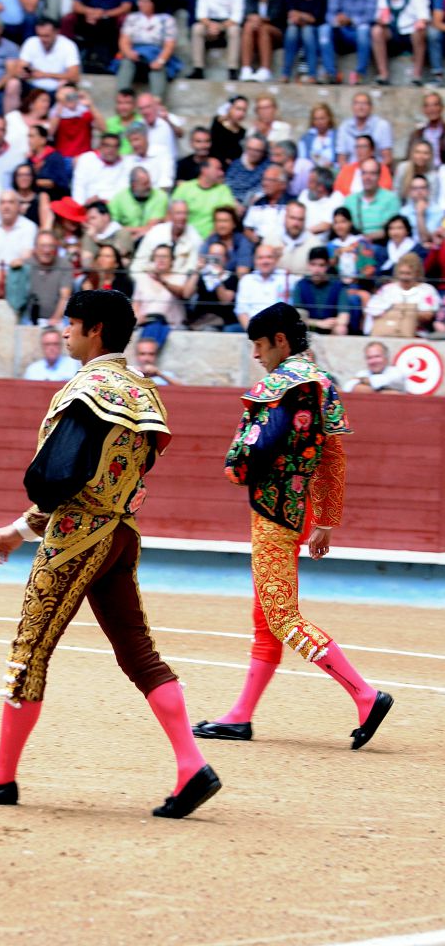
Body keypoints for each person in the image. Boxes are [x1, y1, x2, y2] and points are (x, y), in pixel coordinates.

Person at [0, 289, 221, 820]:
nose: (65, 331)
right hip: (120, 531)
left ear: (94, 329)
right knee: (138, 652)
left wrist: (22, 526)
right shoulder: (144, 393)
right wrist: (22, 528)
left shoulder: (89, 389)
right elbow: (128, 476)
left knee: (29, 651)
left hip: (76, 537)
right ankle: (192, 766)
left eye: (72, 323)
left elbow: (58, 479)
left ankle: (1, 775)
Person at [193, 302, 393, 750]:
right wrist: (326, 520)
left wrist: (236, 469)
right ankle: (240, 717)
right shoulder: (324, 385)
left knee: (281, 617)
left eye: (260, 346)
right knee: (266, 617)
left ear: (280, 340)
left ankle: (365, 695)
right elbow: (333, 457)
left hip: (272, 513)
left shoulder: (278, 384)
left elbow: (244, 458)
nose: (257, 355)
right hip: (300, 511)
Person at [114, 0, 180, 99]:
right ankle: (123, 97)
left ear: (154, 2)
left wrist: (160, 60)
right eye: (139, 0)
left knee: (157, 68)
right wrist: (128, 52)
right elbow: (124, 40)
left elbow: (169, 45)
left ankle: (157, 100)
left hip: (157, 54)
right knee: (126, 63)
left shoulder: (167, 20)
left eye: (144, 1)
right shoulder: (132, 18)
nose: (140, 4)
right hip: (135, 53)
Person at [371, 0, 429, 87]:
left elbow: (423, 18)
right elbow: (380, 16)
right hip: (393, 33)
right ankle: (383, 74)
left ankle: (417, 75)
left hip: (411, 34)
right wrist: (380, 20)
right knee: (376, 31)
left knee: (419, 31)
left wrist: (420, 22)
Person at [321, 0, 375, 86]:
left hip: (358, 34)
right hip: (340, 33)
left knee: (364, 29)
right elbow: (329, 15)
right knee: (324, 29)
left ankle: (360, 74)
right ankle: (330, 73)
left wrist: (351, 20)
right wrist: (337, 20)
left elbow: (370, 16)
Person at [189, 0, 245, 80]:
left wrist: (220, 27)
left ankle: (233, 69)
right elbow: (201, 14)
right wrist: (210, 25)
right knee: (196, 28)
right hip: (209, 23)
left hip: (227, 24)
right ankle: (198, 68)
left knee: (235, 30)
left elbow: (236, 17)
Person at [363, 254, 440, 335]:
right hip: (386, 330)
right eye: (401, 273)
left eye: (408, 274)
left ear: (417, 274)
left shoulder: (427, 290)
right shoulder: (387, 289)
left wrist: (407, 313)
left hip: (417, 333)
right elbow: (372, 309)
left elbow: (428, 315)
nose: (404, 277)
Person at [280, 0, 329, 83]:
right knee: (292, 30)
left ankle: (312, 73)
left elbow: (316, 18)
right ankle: (285, 73)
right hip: (295, 30)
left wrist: (301, 15)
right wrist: (304, 17)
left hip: (316, 31)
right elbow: (290, 15)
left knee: (307, 30)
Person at [239, 0, 285, 82]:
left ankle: (265, 70)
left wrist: (259, 19)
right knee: (248, 26)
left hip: (275, 31)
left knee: (263, 27)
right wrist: (252, 18)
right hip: (254, 28)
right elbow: (246, 13)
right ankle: (246, 69)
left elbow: (276, 16)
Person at [131, 200, 203, 275]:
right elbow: (137, 265)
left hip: (179, 282)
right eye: (178, 213)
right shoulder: (156, 232)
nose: (182, 217)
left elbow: (192, 269)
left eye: (185, 213)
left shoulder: (195, 238)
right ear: (170, 215)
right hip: (150, 278)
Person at [171, 157, 236, 239]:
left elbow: (226, 217)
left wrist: (208, 241)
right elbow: (171, 214)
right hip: (185, 237)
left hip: (211, 239)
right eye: (218, 169)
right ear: (204, 170)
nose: (222, 173)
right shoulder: (184, 188)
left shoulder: (223, 190)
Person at [181, 241, 240, 330]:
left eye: (219, 255)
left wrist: (216, 277)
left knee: (209, 329)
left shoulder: (232, 277)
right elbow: (186, 294)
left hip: (221, 321)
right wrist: (197, 270)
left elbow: (225, 300)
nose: (214, 258)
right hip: (199, 319)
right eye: (212, 255)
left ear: (226, 259)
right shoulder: (201, 276)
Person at [234, 243, 296, 326]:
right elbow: (241, 311)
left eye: (269, 257)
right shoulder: (246, 280)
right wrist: (253, 334)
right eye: (260, 258)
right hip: (253, 327)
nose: (265, 261)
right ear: (254, 261)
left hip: (281, 328)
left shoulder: (288, 278)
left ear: (276, 259)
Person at [292, 247, 351, 333]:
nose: (317, 270)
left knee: (341, 328)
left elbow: (344, 317)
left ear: (327, 266)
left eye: (321, 265)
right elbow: (297, 317)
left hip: (330, 327)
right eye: (313, 264)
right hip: (308, 327)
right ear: (308, 265)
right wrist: (318, 323)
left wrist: (332, 322)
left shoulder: (337, 285)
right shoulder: (301, 285)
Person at [17, 17, 81, 95]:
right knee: (13, 83)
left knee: (67, 88)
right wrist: (24, 72)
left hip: (57, 89)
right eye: (40, 35)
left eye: (46, 36)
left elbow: (74, 77)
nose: (42, 39)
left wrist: (45, 74)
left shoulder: (68, 46)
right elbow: (21, 67)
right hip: (32, 87)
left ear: (57, 32)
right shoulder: (31, 42)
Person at [343, 160, 402, 244]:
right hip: (354, 245)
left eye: (372, 173)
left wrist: (366, 238)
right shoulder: (350, 200)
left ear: (379, 176)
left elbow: (392, 228)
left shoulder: (391, 198)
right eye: (364, 173)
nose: (368, 177)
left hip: (382, 244)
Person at [108, 166, 169, 240]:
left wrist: (129, 232)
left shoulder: (160, 196)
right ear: (134, 185)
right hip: (124, 238)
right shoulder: (119, 198)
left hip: (152, 238)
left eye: (149, 182)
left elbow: (152, 228)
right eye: (145, 184)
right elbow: (111, 227)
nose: (149, 186)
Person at [336, 93, 393, 169]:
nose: (360, 107)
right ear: (352, 107)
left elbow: (387, 158)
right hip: (351, 171)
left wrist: (374, 172)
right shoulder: (344, 127)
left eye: (364, 104)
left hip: (375, 171)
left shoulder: (382, 125)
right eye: (357, 103)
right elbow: (341, 159)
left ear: (371, 107)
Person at [71, 132, 128, 207]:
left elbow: (122, 190)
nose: (111, 150)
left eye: (115, 147)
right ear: (100, 147)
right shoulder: (86, 159)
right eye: (107, 146)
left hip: (113, 206)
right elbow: (78, 187)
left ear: (119, 149)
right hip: (88, 205)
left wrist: (104, 200)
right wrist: (81, 207)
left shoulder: (125, 163)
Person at [343, 340, 407, 393]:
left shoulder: (396, 372)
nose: (373, 361)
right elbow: (347, 387)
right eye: (369, 358)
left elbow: (384, 381)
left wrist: (362, 381)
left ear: (386, 358)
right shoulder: (362, 373)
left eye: (377, 356)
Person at [209, 95, 248, 168]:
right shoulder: (218, 125)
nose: (241, 113)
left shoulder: (243, 132)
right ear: (229, 108)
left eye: (244, 110)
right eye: (238, 109)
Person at [297, 103, 338, 169]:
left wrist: (332, 165)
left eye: (322, 118)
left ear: (329, 118)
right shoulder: (306, 138)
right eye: (316, 119)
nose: (319, 122)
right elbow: (302, 159)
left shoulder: (337, 136)